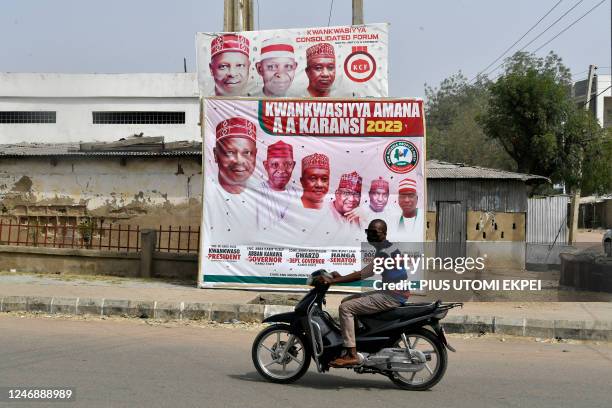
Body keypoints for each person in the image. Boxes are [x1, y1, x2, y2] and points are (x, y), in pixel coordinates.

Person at [318, 219, 410, 367]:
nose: (371, 235)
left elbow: (362, 275)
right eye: (369, 232)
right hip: (391, 292)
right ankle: (357, 339)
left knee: (346, 308)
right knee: (346, 300)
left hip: (391, 295)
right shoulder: (386, 248)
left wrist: (333, 281)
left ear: (384, 234)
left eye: (375, 232)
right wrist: (339, 276)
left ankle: (352, 354)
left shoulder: (385, 252)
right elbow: (364, 272)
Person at [257, 140, 299, 229]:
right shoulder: (257, 193)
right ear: (266, 165)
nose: (282, 170)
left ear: (293, 165)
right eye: (275, 165)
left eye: (288, 164)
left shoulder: (296, 195)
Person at [212, 117, 257, 194]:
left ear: (255, 154)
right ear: (216, 155)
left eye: (246, 153)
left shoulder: (262, 192)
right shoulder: (209, 191)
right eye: (230, 152)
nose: (239, 160)